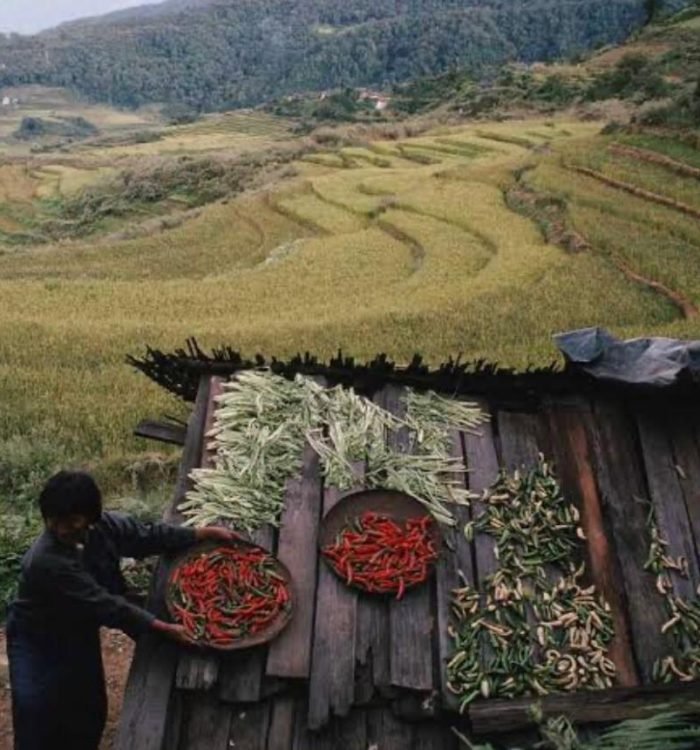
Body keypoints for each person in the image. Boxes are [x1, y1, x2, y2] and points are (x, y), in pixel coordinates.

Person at [6, 470, 235, 750]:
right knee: (36, 709)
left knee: (87, 706)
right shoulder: (46, 561)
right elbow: (106, 605)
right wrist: (163, 628)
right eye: (54, 521)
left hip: (77, 629)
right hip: (37, 637)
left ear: (91, 517)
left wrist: (201, 533)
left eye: (69, 521)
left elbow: (147, 537)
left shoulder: (106, 527)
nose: (60, 528)